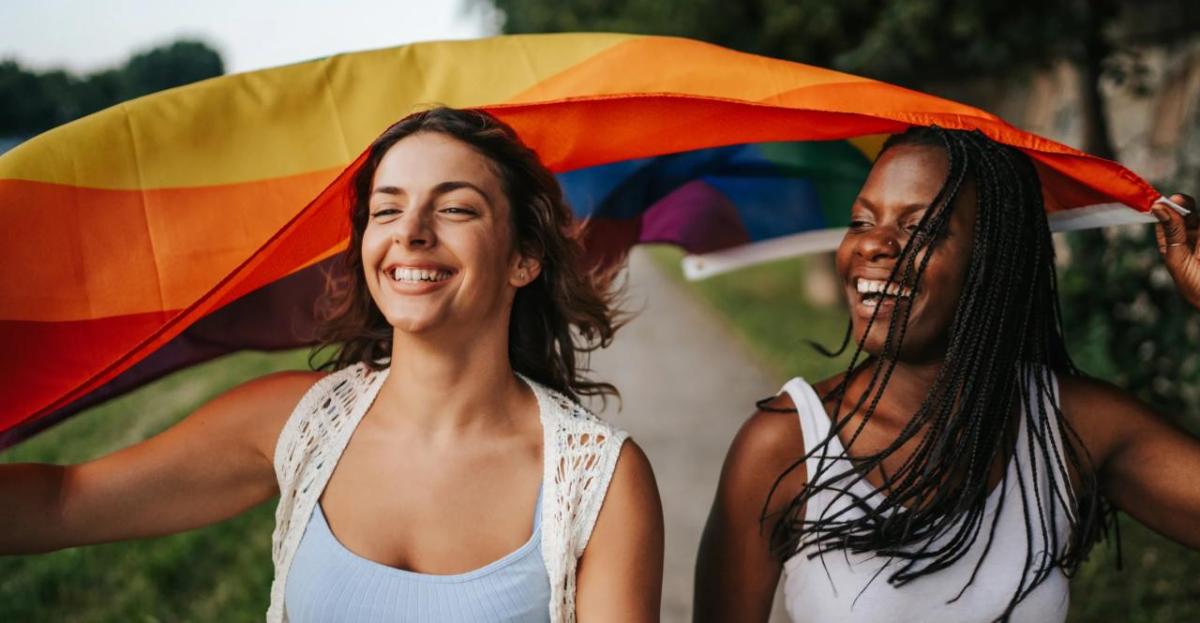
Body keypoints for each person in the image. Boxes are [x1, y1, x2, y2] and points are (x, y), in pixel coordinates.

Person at [0, 107, 664, 622]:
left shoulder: (601, 481)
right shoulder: (295, 422)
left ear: (524, 257)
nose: (411, 231)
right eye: (387, 209)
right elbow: (63, 502)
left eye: (456, 207)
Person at [693, 126, 1200, 623]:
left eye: (922, 228)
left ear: (992, 259)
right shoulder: (785, 444)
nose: (873, 246)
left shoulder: (1073, 426)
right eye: (861, 222)